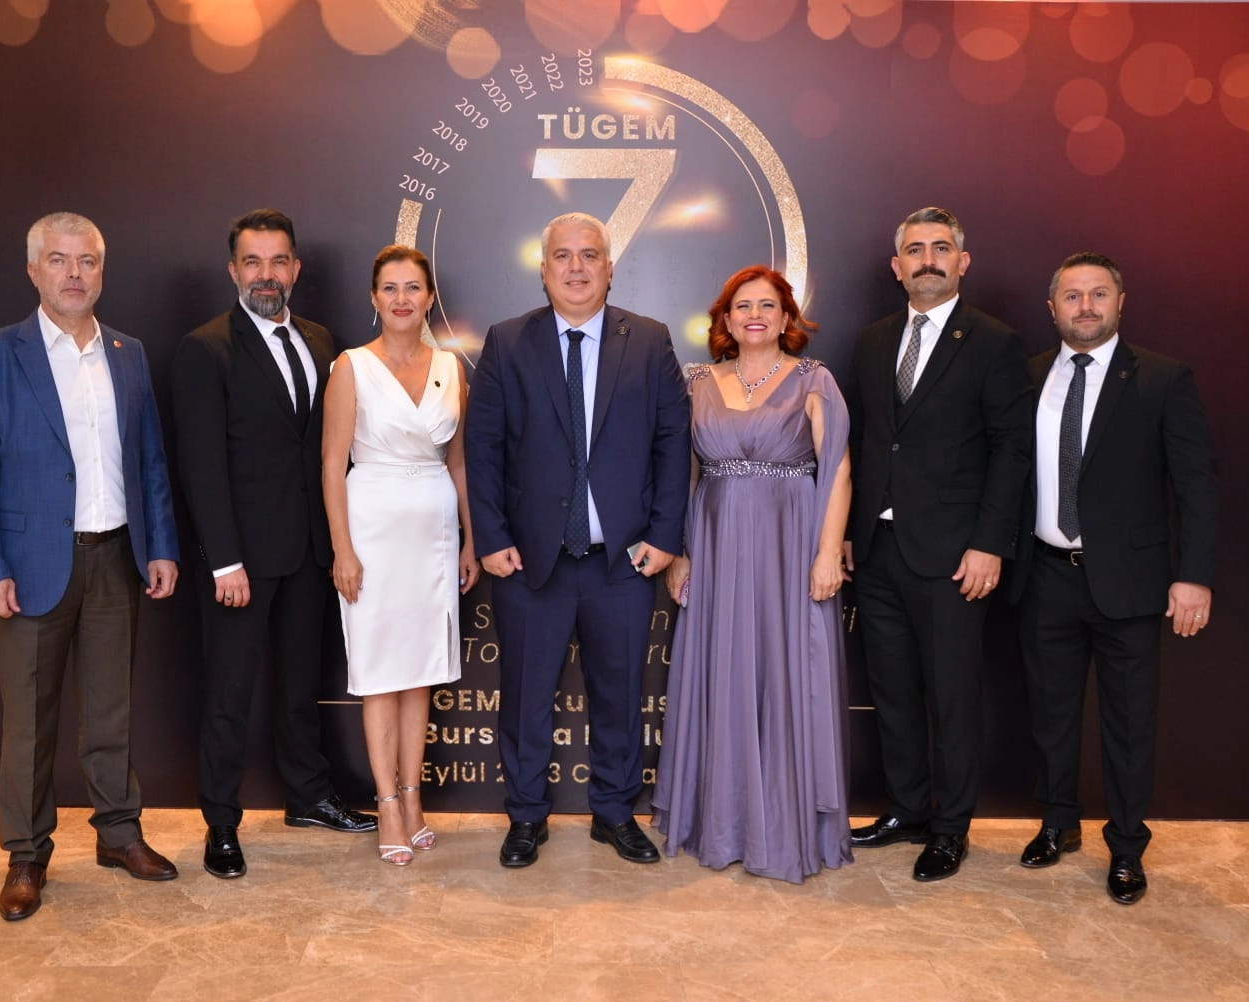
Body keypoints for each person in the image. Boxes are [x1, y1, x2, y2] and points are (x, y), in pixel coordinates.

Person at [0, 212, 181, 921]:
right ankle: (26, 854)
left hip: (116, 556)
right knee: (30, 719)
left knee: (112, 707)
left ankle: (119, 834)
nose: (74, 273)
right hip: (28, 566)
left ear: (101, 271)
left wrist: (161, 544)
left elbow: (149, 460)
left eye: (87, 261)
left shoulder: (128, 353)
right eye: (58, 260)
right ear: (34, 271)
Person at [465, 211, 691, 868]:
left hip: (622, 562)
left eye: (589, 254)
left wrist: (665, 537)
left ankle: (615, 813)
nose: (576, 267)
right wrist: (491, 538)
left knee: (620, 696)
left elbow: (673, 443)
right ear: (543, 270)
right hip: (527, 561)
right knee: (525, 698)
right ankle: (525, 816)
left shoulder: (648, 340)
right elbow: (483, 449)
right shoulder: (508, 341)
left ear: (610, 267)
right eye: (562, 256)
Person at [173, 208, 375, 881]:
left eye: (278, 261)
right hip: (242, 561)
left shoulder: (319, 340)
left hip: (309, 551)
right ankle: (221, 823)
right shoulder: (206, 349)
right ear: (233, 270)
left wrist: (336, 544)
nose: (267, 274)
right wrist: (224, 560)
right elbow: (201, 466)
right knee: (230, 694)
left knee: (300, 686)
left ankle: (309, 797)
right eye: (253, 261)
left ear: (296, 268)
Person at [1008, 252, 1216, 905]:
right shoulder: (1027, 376)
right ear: (1052, 308)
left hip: (1130, 582)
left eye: (1099, 294)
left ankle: (1126, 846)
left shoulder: (1162, 377)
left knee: (1129, 724)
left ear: (1120, 303)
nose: (1086, 306)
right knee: (1050, 716)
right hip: (1044, 575)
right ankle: (1058, 823)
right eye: (1073, 296)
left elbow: (1197, 485)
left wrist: (1194, 576)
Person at [845, 206, 1031, 881]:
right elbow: (868, 441)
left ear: (962, 262)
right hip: (878, 549)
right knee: (892, 691)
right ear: (897, 267)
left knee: (951, 696)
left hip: (955, 556)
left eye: (941, 247)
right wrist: (850, 532)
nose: (928, 259)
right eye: (916, 249)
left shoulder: (994, 342)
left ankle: (950, 827)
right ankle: (907, 809)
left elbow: (1012, 451)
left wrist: (990, 544)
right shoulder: (872, 340)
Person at [653, 266, 853, 883]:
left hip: (790, 546)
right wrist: (680, 552)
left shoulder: (814, 379)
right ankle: (724, 822)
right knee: (724, 671)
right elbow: (682, 473)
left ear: (787, 317)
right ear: (725, 319)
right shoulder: (696, 382)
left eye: (767, 305)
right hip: (714, 544)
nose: (755, 315)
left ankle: (785, 828)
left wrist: (827, 553)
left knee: (784, 674)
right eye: (742, 306)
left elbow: (838, 470)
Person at [322, 245, 480, 866]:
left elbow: (458, 463)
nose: (401, 299)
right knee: (380, 675)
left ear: (429, 297)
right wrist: (343, 549)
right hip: (373, 529)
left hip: (434, 531)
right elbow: (332, 465)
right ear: (373, 298)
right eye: (389, 288)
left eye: (412, 287)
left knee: (420, 674)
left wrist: (469, 538)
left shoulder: (450, 367)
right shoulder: (351, 367)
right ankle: (386, 803)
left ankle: (413, 799)